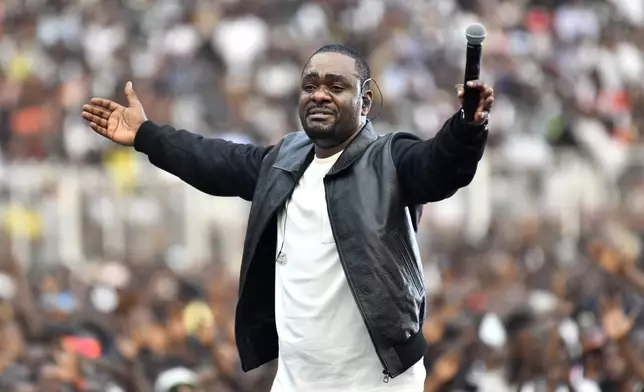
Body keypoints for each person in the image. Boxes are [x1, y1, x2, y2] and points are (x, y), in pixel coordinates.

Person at [81, 44, 494, 392]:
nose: (319, 95)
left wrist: (466, 127)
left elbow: (441, 168)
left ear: (365, 101)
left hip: (377, 381)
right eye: (310, 85)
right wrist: (146, 135)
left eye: (336, 86)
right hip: (297, 380)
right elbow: (213, 160)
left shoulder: (390, 160)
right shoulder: (283, 161)